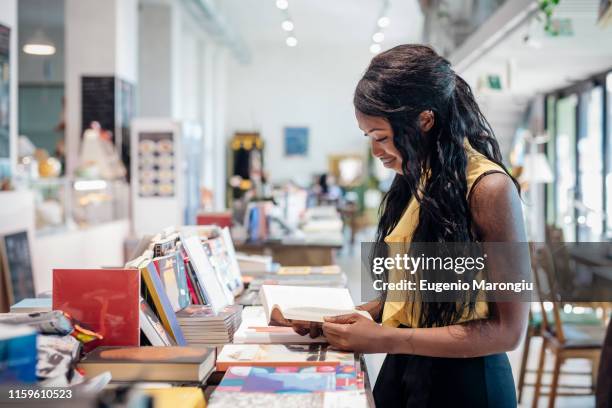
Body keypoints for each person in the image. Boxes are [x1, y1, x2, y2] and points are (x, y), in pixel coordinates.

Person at [287, 45, 529, 407]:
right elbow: (416, 298)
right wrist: (344, 318)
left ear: (424, 121)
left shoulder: (490, 189)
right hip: (406, 373)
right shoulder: (419, 179)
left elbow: (508, 332)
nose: (376, 152)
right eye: (369, 138)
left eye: (382, 137)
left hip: (466, 386)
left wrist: (386, 339)